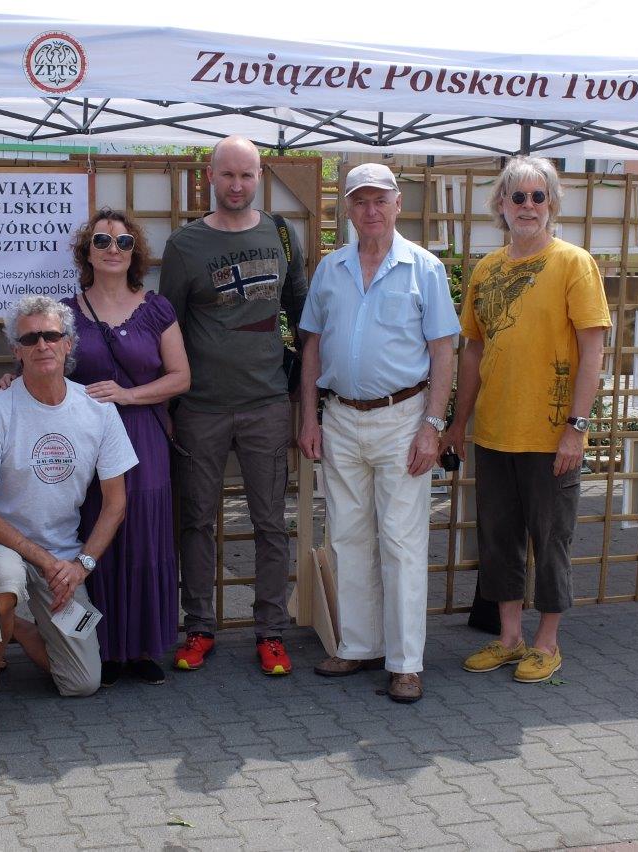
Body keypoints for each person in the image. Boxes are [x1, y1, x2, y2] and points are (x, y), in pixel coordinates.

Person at [298, 163, 460, 703]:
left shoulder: (424, 268)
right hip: (341, 417)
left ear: (397, 204)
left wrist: (432, 426)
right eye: (360, 201)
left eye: (380, 200)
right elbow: (312, 347)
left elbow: (443, 351)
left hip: (402, 419)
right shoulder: (331, 269)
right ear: (347, 208)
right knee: (346, 536)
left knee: (402, 541)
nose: (370, 210)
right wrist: (310, 418)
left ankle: (406, 662)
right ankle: (357, 645)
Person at [444, 156, 610, 684]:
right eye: (518, 197)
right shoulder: (486, 270)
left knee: (551, 539)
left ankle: (547, 642)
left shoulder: (574, 263)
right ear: (501, 204)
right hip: (495, 432)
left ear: (552, 204)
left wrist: (576, 428)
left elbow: (593, 350)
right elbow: (473, 351)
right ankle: (510, 637)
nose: (528, 206)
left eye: (539, 196)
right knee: (499, 540)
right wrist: (457, 424)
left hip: (551, 434)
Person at [0, 295, 138, 742]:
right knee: (5, 581)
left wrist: (80, 567)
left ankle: (1, 622)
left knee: (82, 682)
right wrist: (47, 561)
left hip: (62, 557)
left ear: (68, 343)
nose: (42, 345)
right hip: (2, 540)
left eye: (52, 335)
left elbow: (115, 504)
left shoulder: (98, 410)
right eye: (30, 338)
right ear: (16, 350)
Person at [159, 135, 308, 676]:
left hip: (266, 403)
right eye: (228, 174)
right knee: (196, 521)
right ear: (210, 176)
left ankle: (270, 632)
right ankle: (199, 627)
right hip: (201, 407)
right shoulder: (185, 245)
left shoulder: (282, 234)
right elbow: (167, 327)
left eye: (247, 175)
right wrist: (168, 403)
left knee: (271, 522)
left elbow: (302, 313)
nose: (238, 185)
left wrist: (304, 393)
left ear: (260, 176)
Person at [64, 211, 189, 685]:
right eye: (101, 240)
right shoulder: (66, 312)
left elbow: (181, 377)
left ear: (135, 252)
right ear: (87, 251)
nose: (112, 249)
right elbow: (45, 366)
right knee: (97, 532)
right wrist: (10, 381)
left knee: (144, 535)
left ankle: (141, 648)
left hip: (142, 435)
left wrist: (128, 395)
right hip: (88, 440)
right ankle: (103, 648)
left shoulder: (156, 309)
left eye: (122, 241)